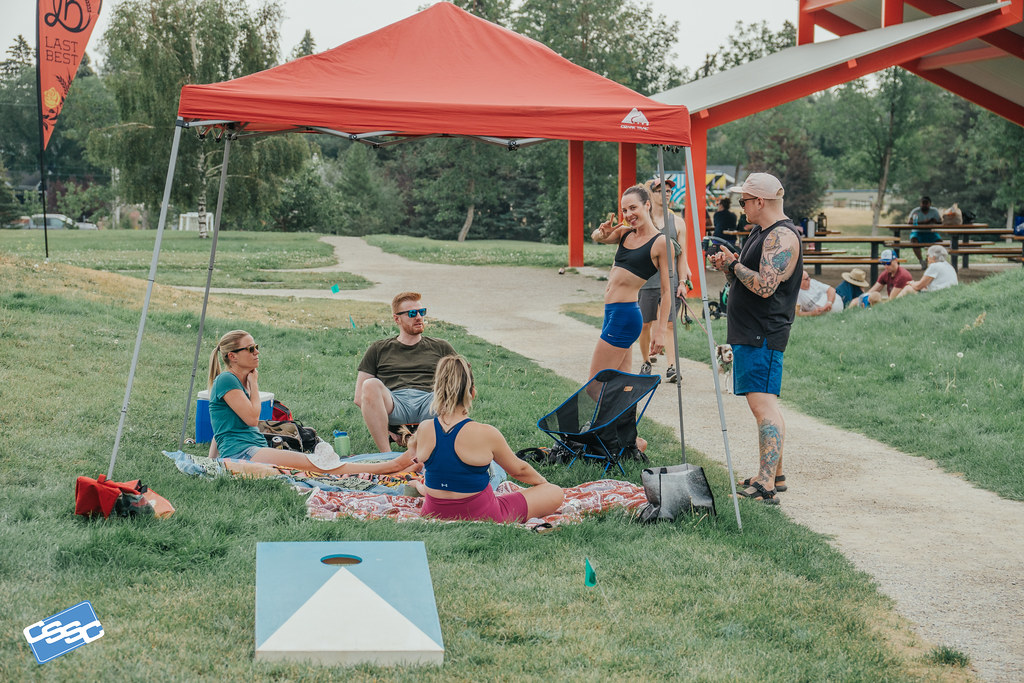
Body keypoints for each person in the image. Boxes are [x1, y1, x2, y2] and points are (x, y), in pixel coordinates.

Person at [708, 173, 802, 504]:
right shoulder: (761, 232)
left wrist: (735, 263)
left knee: (763, 406)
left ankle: (766, 484)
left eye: (744, 200)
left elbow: (765, 286)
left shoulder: (782, 238)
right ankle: (774, 473)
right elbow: (746, 281)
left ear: (760, 201)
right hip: (750, 331)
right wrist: (729, 267)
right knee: (764, 405)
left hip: (764, 332)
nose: (741, 206)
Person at [208, 330, 417, 476]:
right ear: (232, 356)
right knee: (317, 465)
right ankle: (392, 465)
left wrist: (211, 461)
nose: (257, 352)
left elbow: (220, 428)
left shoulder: (238, 380)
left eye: (256, 347)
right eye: (251, 348)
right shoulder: (227, 380)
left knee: (313, 464)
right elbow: (252, 419)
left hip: (252, 448)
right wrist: (254, 384)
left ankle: (392, 466)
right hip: (243, 452)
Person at [412, 355, 564, 522]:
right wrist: (542, 483)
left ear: (437, 391)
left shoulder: (425, 428)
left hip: (434, 512)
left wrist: (419, 486)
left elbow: (441, 478)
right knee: (555, 492)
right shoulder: (486, 433)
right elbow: (518, 470)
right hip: (483, 514)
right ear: (472, 392)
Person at [589, 184, 674, 380]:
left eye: (633, 208)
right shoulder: (624, 233)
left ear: (647, 205)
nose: (628, 214)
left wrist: (660, 331)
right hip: (611, 313)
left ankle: (600, 411)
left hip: (624, 316)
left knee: (596, 383)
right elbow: (596, 237)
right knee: (620, 384)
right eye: (624, 210)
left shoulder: (662, 243)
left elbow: (667, 291)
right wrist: (601, 233)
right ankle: (628, 412)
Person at [355, 292, 456, 452]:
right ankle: (386, 456)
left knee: (454, 385)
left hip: (430, 402)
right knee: (370, 385)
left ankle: (437, 451)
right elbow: (359, 396)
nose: (418, 317)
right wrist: (388, 431)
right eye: (411, 313)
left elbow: (464, 385)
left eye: (421, 312)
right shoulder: (379, 348)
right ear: (397, 319)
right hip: (395, 403)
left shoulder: (441, 347)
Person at [636, 178, 691, 383]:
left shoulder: (677, 222)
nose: (666, 193)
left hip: (672, 279)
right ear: (651, 194)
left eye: (668, 190)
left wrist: (683, 282)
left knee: (669, 325)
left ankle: (671, 366)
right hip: (647, 280)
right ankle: (645, 362)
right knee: (644, 324)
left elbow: (682, 254)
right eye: (660, 190)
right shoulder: (643, 220)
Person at [907, 195, 943, 268]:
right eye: (923, 203)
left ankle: (927, 260)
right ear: (920, 203)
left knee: (939, 241)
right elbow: (910, 222)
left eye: (926, 203)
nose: (924, 205)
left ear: (930, 204)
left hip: (931, 232)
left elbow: (940, 222)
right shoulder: (915, 211)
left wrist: (935, 222)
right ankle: (921, 260)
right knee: (914, 241)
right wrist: (925, 222)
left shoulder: (934, 211)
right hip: (917, 232)